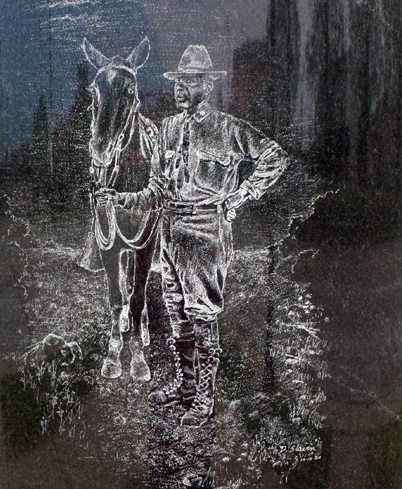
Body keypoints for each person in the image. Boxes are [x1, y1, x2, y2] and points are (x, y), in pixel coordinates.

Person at [97, 45, 289, 428]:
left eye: (189, 81)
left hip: (205, 232)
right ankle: (184, 387)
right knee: (176, 314)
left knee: (202, 318)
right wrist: (121, 199)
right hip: (170, 231)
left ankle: (204, 398)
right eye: (178, 82)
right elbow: (156, 188)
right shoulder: (168, 128)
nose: (180, 88)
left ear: (206, 85)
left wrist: (239, 197)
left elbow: (274, 157)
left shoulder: (227, 128)